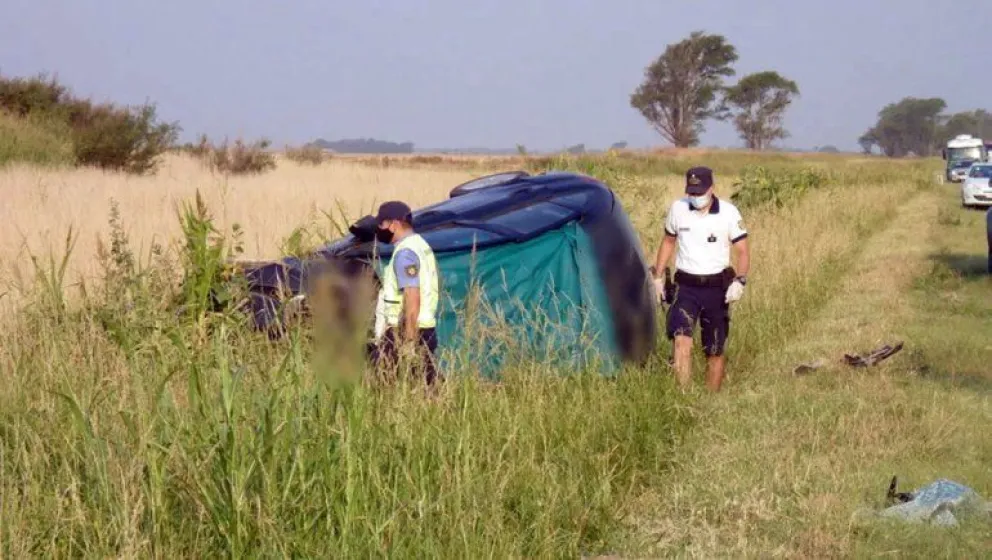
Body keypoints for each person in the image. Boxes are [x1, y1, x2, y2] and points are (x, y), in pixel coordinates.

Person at [651, 166, 750, 392]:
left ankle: (711, 398)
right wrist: (658, 276)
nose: (695, 197)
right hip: (686, 286)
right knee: (681, 338)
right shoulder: (677, 209)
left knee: (714, 348)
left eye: (699, 192)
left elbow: (743, 250)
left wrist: (740, 280)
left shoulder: (728, 213)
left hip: (716, 287)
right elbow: (668, 241)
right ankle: (684, 397)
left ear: (711, 189)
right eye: (691, 192)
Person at [368, 200, 442, 386]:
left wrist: (408, 341)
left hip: (405, 330)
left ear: (394, 225)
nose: (379, 229)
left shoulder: (405, 253)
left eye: (382, 224)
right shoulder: (420, 244)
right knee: (425, 383)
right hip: (424, 327)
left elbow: (412, 296)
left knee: (384, 382)